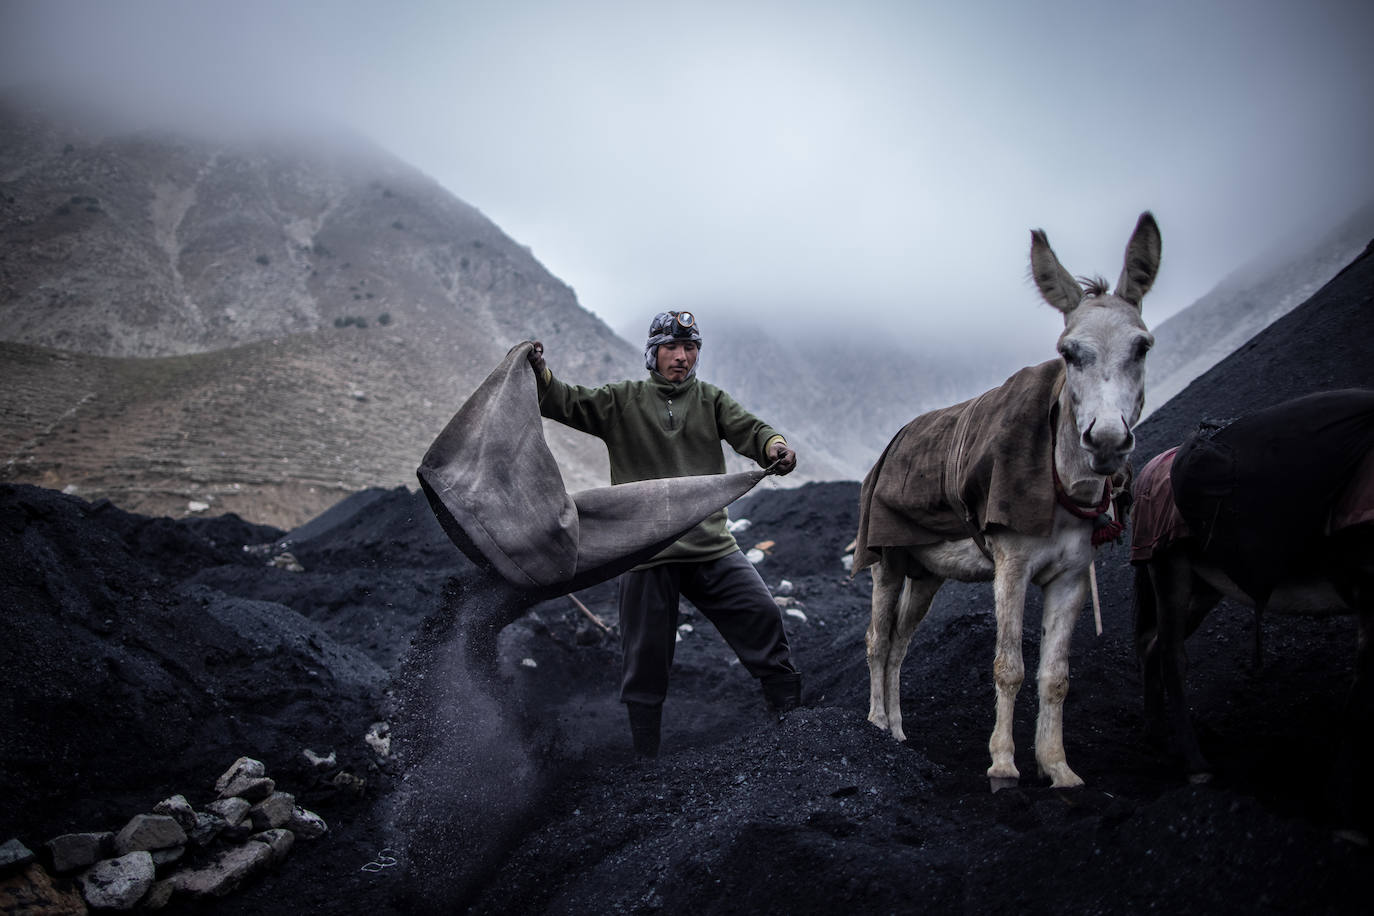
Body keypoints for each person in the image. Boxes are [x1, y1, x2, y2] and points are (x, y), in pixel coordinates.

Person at [527, 310, 802, 757]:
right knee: (645, 656)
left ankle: (793, 726)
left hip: (709, 544)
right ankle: (646, 760)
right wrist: (540, 371)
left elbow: (751, 430)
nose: (681, 357)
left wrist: (774, 446)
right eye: (671, 347)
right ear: (653, 354)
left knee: (762, 613)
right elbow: (564, 401)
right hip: (646, 550)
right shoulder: (622, 400)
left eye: (690, 348)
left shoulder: (711, 400)